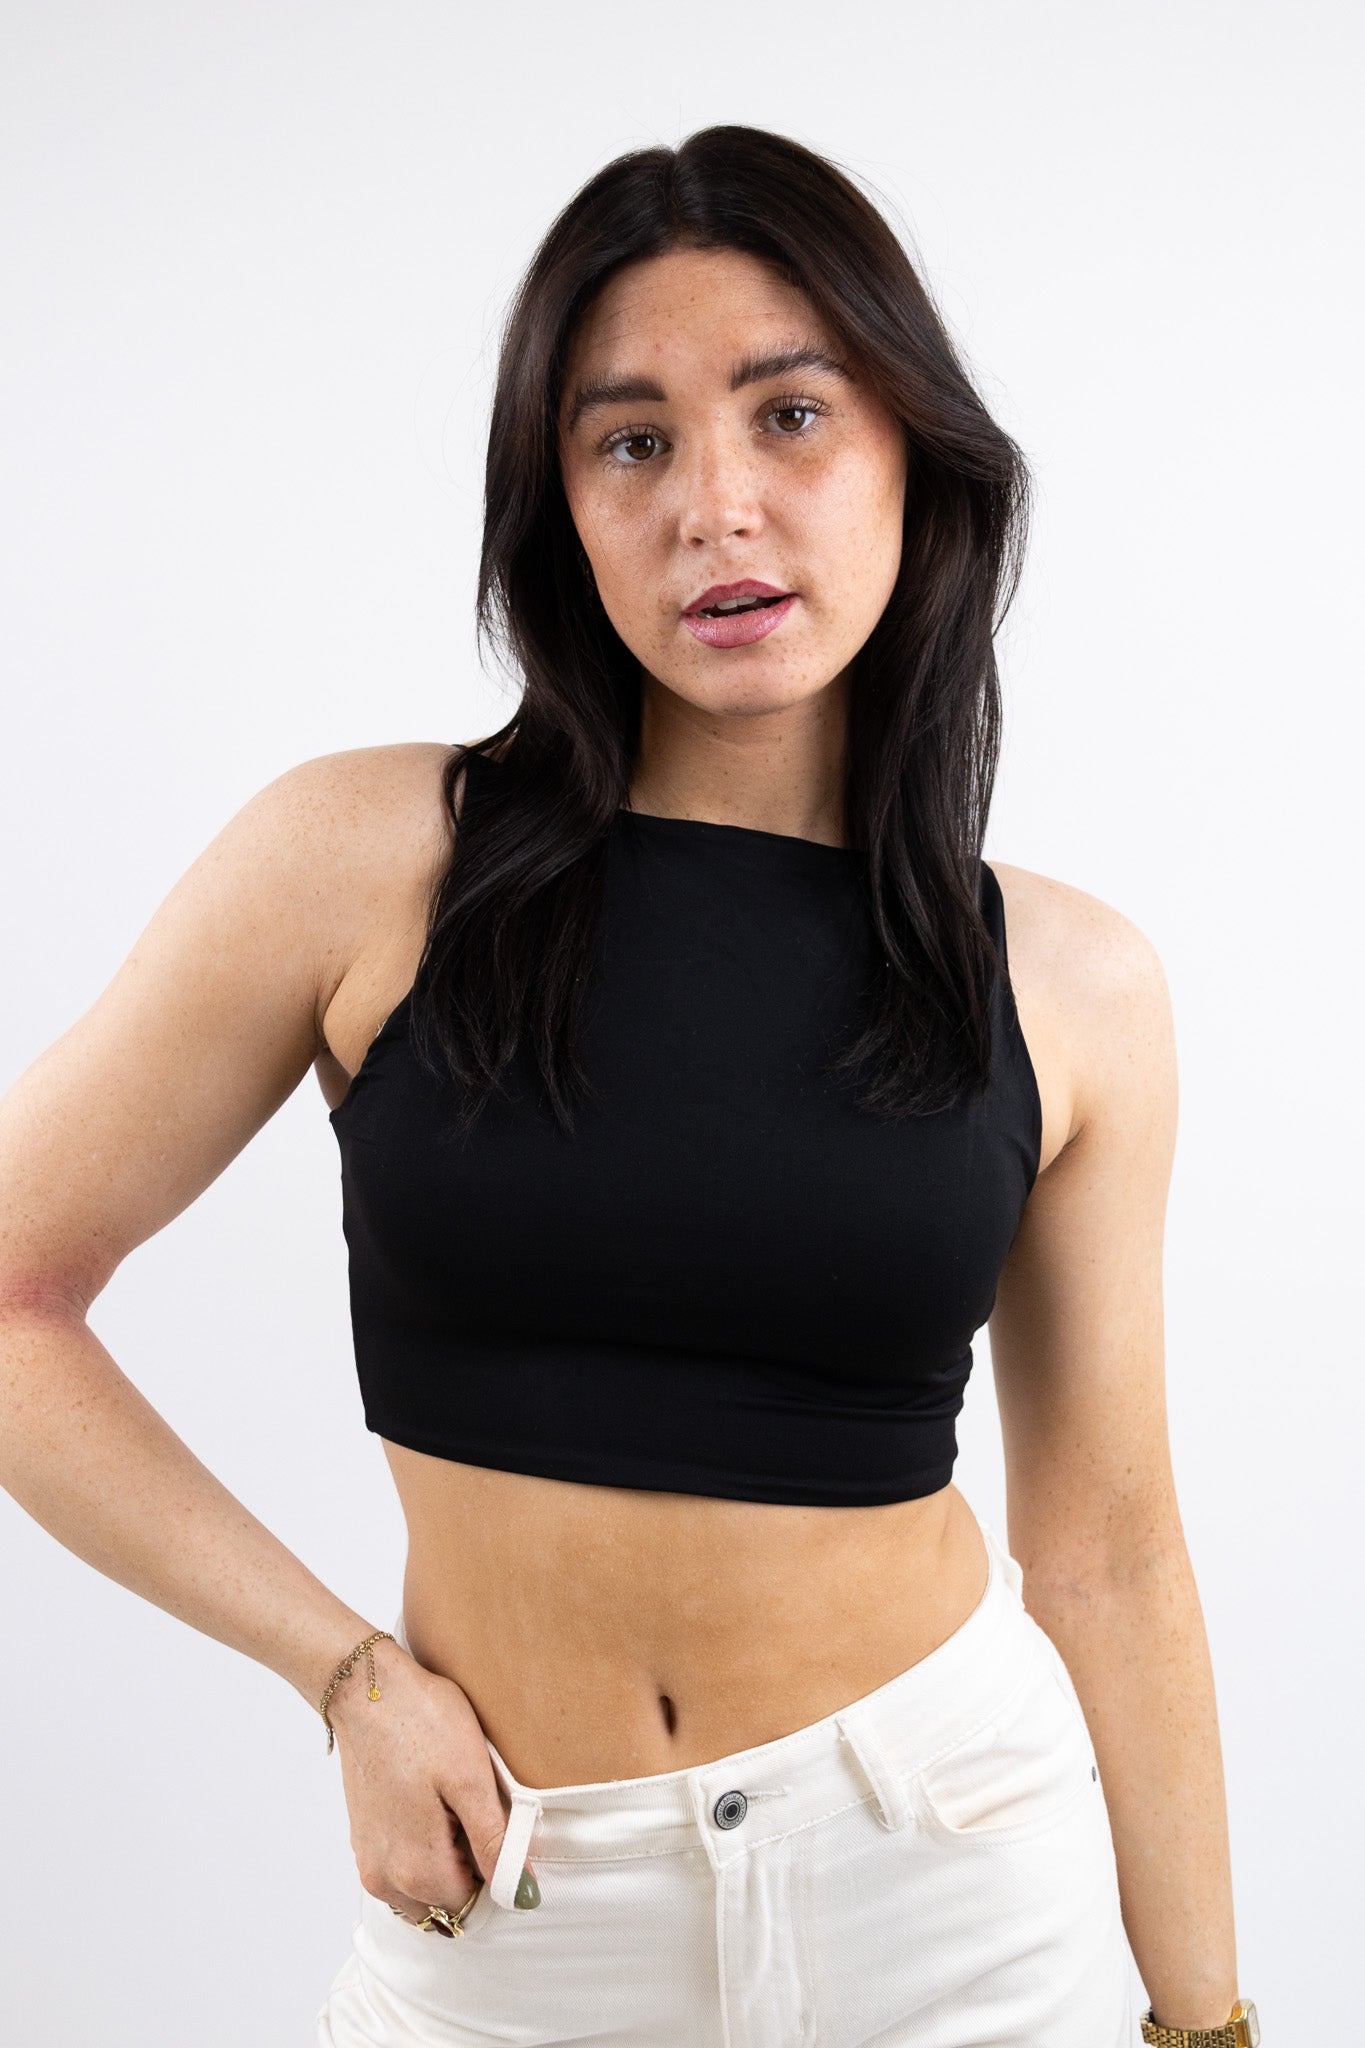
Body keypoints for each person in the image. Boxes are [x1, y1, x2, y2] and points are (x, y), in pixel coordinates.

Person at [0, 125, 1257, 2048]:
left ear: (913, 458)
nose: (715, 508)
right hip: (513, 1908)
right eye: (633, 442)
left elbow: (1107, 1553)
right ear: (562, 510)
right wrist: (343, 1676)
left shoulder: (1066, 981)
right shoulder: (368, 863)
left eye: (790, 416)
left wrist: (1207, 2024)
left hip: (949, 1885)